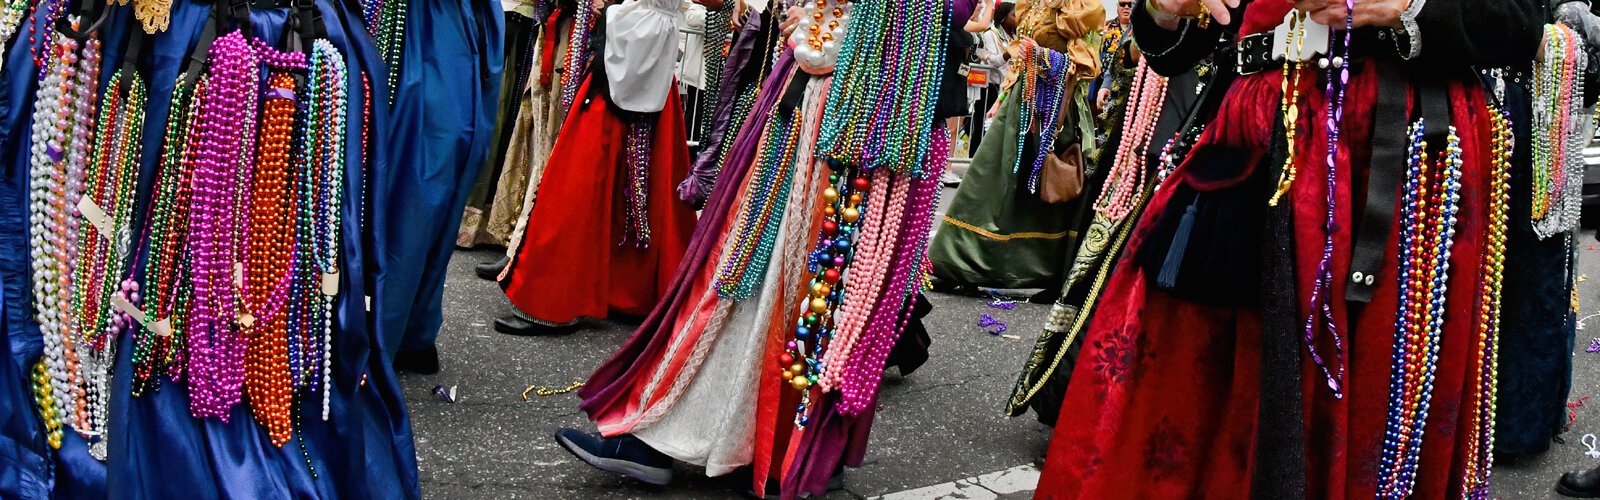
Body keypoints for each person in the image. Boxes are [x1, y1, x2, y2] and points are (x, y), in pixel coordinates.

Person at [1034, 0, 1542, 498]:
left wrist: (1407, 6)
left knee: (1366, 387)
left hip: (1390, 147)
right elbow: (1179, 48)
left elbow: (1521, 22)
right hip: (1249, 134)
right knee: (1189, 388)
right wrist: (1167, 9)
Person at [551, 1, 954, 497]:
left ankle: (709, 441)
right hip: (857, 115)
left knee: (769, 280)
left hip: (840, 117)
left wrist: (814, 25)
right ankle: (782, 447)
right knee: (789, 281)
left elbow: (835, 43)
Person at [495, 0, 698, 335]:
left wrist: (613, 13)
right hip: (640, 53)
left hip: (632, 53)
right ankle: (626, 291)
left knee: (581, 177)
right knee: (633, 174)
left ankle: (555, 298)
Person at [925, 0, 1105, 296]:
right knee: (988, 178)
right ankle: (958, 263)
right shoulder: (1031, 5)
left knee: (1050, 190)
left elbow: (1086, 64)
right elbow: (1020, 58)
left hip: (1054, 107)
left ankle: (1053, 273)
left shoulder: (1081, 6)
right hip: (1020, 102)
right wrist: (1003, 97)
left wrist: (1042, 57)